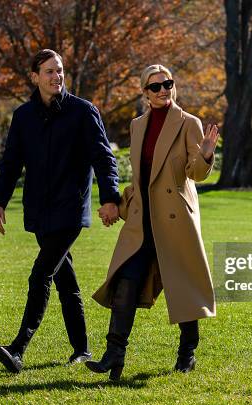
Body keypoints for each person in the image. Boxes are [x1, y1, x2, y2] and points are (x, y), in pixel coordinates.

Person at [0, 49, 120, 373]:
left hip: (70, 210)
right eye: (48, 71)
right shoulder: (23, 117)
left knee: (41, 274)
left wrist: (110, 197)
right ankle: (82, 349)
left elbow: (104, 159)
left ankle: (17, 349)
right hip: (39, 212)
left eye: (59, 70)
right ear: (35, 77)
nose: (56, 77)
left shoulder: (83, 112)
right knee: (65, 278)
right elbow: (10, 164)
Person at [86, 64, 219, 380]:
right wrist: (118, 207)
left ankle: (187, 353)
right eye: (155, 87)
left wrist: (207, 153)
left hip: (175, 218)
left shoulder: (189, 123)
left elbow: (195, 174)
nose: (163, 91)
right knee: (126, 281)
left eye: (167, 84)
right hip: (142, 220)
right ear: (145, 93)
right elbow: (140, 180)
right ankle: (113, 355)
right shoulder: (138, 125)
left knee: (183, 285)